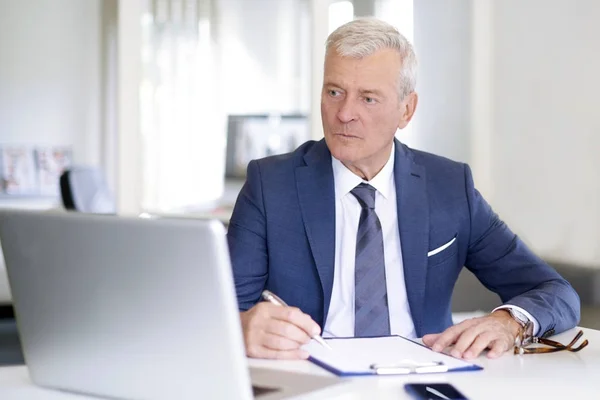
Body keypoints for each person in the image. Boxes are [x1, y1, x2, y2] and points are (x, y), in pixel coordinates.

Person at [226, 18, 580, 361]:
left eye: (368, 99)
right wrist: (242, 326)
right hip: (310, 381)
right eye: (335, 92)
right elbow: (220, 312)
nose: (345, 113)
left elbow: (555, 292)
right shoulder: (271, 185)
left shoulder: (449, 186)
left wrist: (509, 323)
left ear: (406, 110)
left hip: (426, 379)